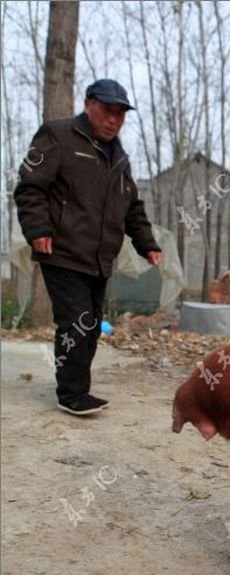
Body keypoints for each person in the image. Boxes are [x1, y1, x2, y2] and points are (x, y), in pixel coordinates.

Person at [14, 79, 162, 416]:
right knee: (77, 320)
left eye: (121, 114)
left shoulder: (119, 158)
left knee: (91, 323)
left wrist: (147, 244)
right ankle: (72, 393)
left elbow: (132, 207)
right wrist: (37, 228)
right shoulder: (57, 135)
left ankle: (77, 387)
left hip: (99, 258)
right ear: (88, 104)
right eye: (108, 111)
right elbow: (29, 186)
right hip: (63, 250)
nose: (114, 120)